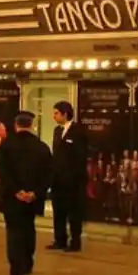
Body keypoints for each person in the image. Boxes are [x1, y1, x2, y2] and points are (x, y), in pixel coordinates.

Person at [0, 111, 52, 275]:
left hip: (12, 198)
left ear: (16, 125)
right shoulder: (42, 147)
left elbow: (3, 172)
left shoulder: (6, 146)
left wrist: (16, 191)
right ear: (31, 125)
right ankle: (27, 262)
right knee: (28, 228)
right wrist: (35, 192)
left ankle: (16, 267)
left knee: (13, 231)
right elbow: (49, 173)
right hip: (32, 200)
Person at [48, 100, 87, 252]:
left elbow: (80, 157)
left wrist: (74, 177)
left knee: (74, 213)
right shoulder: (57, 131)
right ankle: (60, 239)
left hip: (73, 182)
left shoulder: (78, 132)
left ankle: (75, 241)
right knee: (58, 212)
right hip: (57, 180)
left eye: (56, 113)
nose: (54, 116)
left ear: (65, 114)